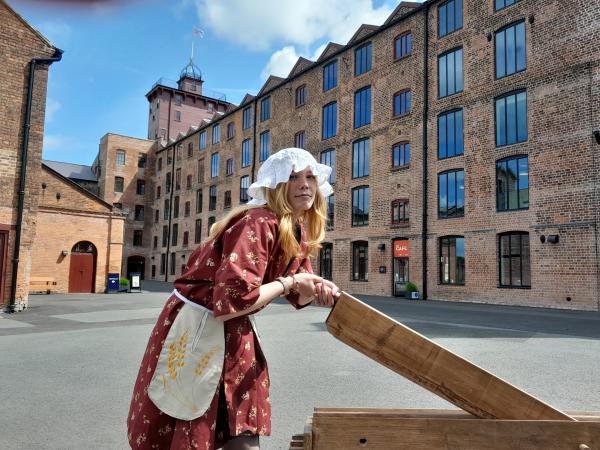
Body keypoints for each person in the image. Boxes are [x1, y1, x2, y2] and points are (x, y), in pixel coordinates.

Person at [127, 147, 339, 450]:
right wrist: (292, 281)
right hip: (199, 324)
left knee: (238, 420)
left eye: (310, 177)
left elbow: (298, 293)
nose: (305, 184)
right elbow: (233, 302)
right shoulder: (259, 221)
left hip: (229, 326)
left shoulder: (292, 227)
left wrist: (319, 289)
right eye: (293, 177)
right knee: (196, 413)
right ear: (276, 185)